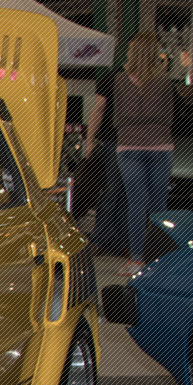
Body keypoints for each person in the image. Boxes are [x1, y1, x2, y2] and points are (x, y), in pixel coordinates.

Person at [111, 32, 176, 272]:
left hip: (129, 146)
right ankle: (159, 259)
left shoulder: (120, 80)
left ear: (133, 52)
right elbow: (168, 115)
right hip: (161, 146)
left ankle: (136, 259)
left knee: (136, 203)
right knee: (159, 204)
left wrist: (132, 124)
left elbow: (118, 115)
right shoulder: (164, 80)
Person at [80, 69, 127, 256]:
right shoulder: (148, 78)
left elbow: (98, 109)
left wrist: (90, 140)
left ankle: (100, 240)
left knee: (111, 191)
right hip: (133, 142)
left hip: (112, 140)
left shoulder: (111, 76)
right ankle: (117, 241)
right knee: (124, 193)